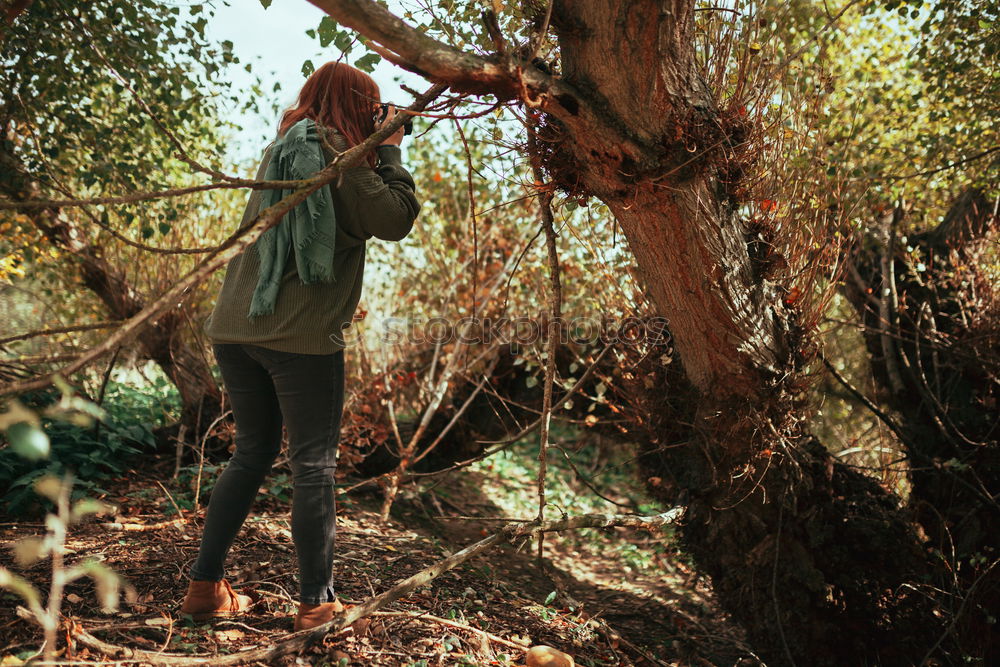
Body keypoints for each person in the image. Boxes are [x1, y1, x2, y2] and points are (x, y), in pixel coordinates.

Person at [177, 61, 419, 632]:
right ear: (364, 107)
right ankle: (316, 605)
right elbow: (395, 219)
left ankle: (203, 589)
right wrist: (391, 149)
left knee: (251, 453)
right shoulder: (345, 158)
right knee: (313, 465)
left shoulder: (283, 147)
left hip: (237, 327)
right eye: (373, 105)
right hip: (301, 336)